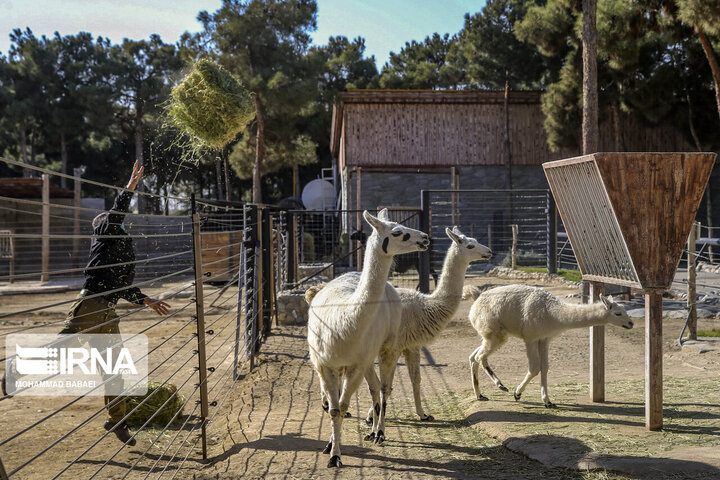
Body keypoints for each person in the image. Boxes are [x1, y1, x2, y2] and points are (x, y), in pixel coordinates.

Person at [1, 160, 171, 445]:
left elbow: (123, 287)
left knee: (114, 369)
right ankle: (15, 370)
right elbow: (116, 213)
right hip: (91, 306)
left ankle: (117, 421)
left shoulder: (116, 248)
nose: (119, 223)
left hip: (107, 311)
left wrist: (145, 299)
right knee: (58, 353)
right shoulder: (106, 230)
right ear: (104, 227)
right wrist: (129, 187)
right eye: (113, 221)